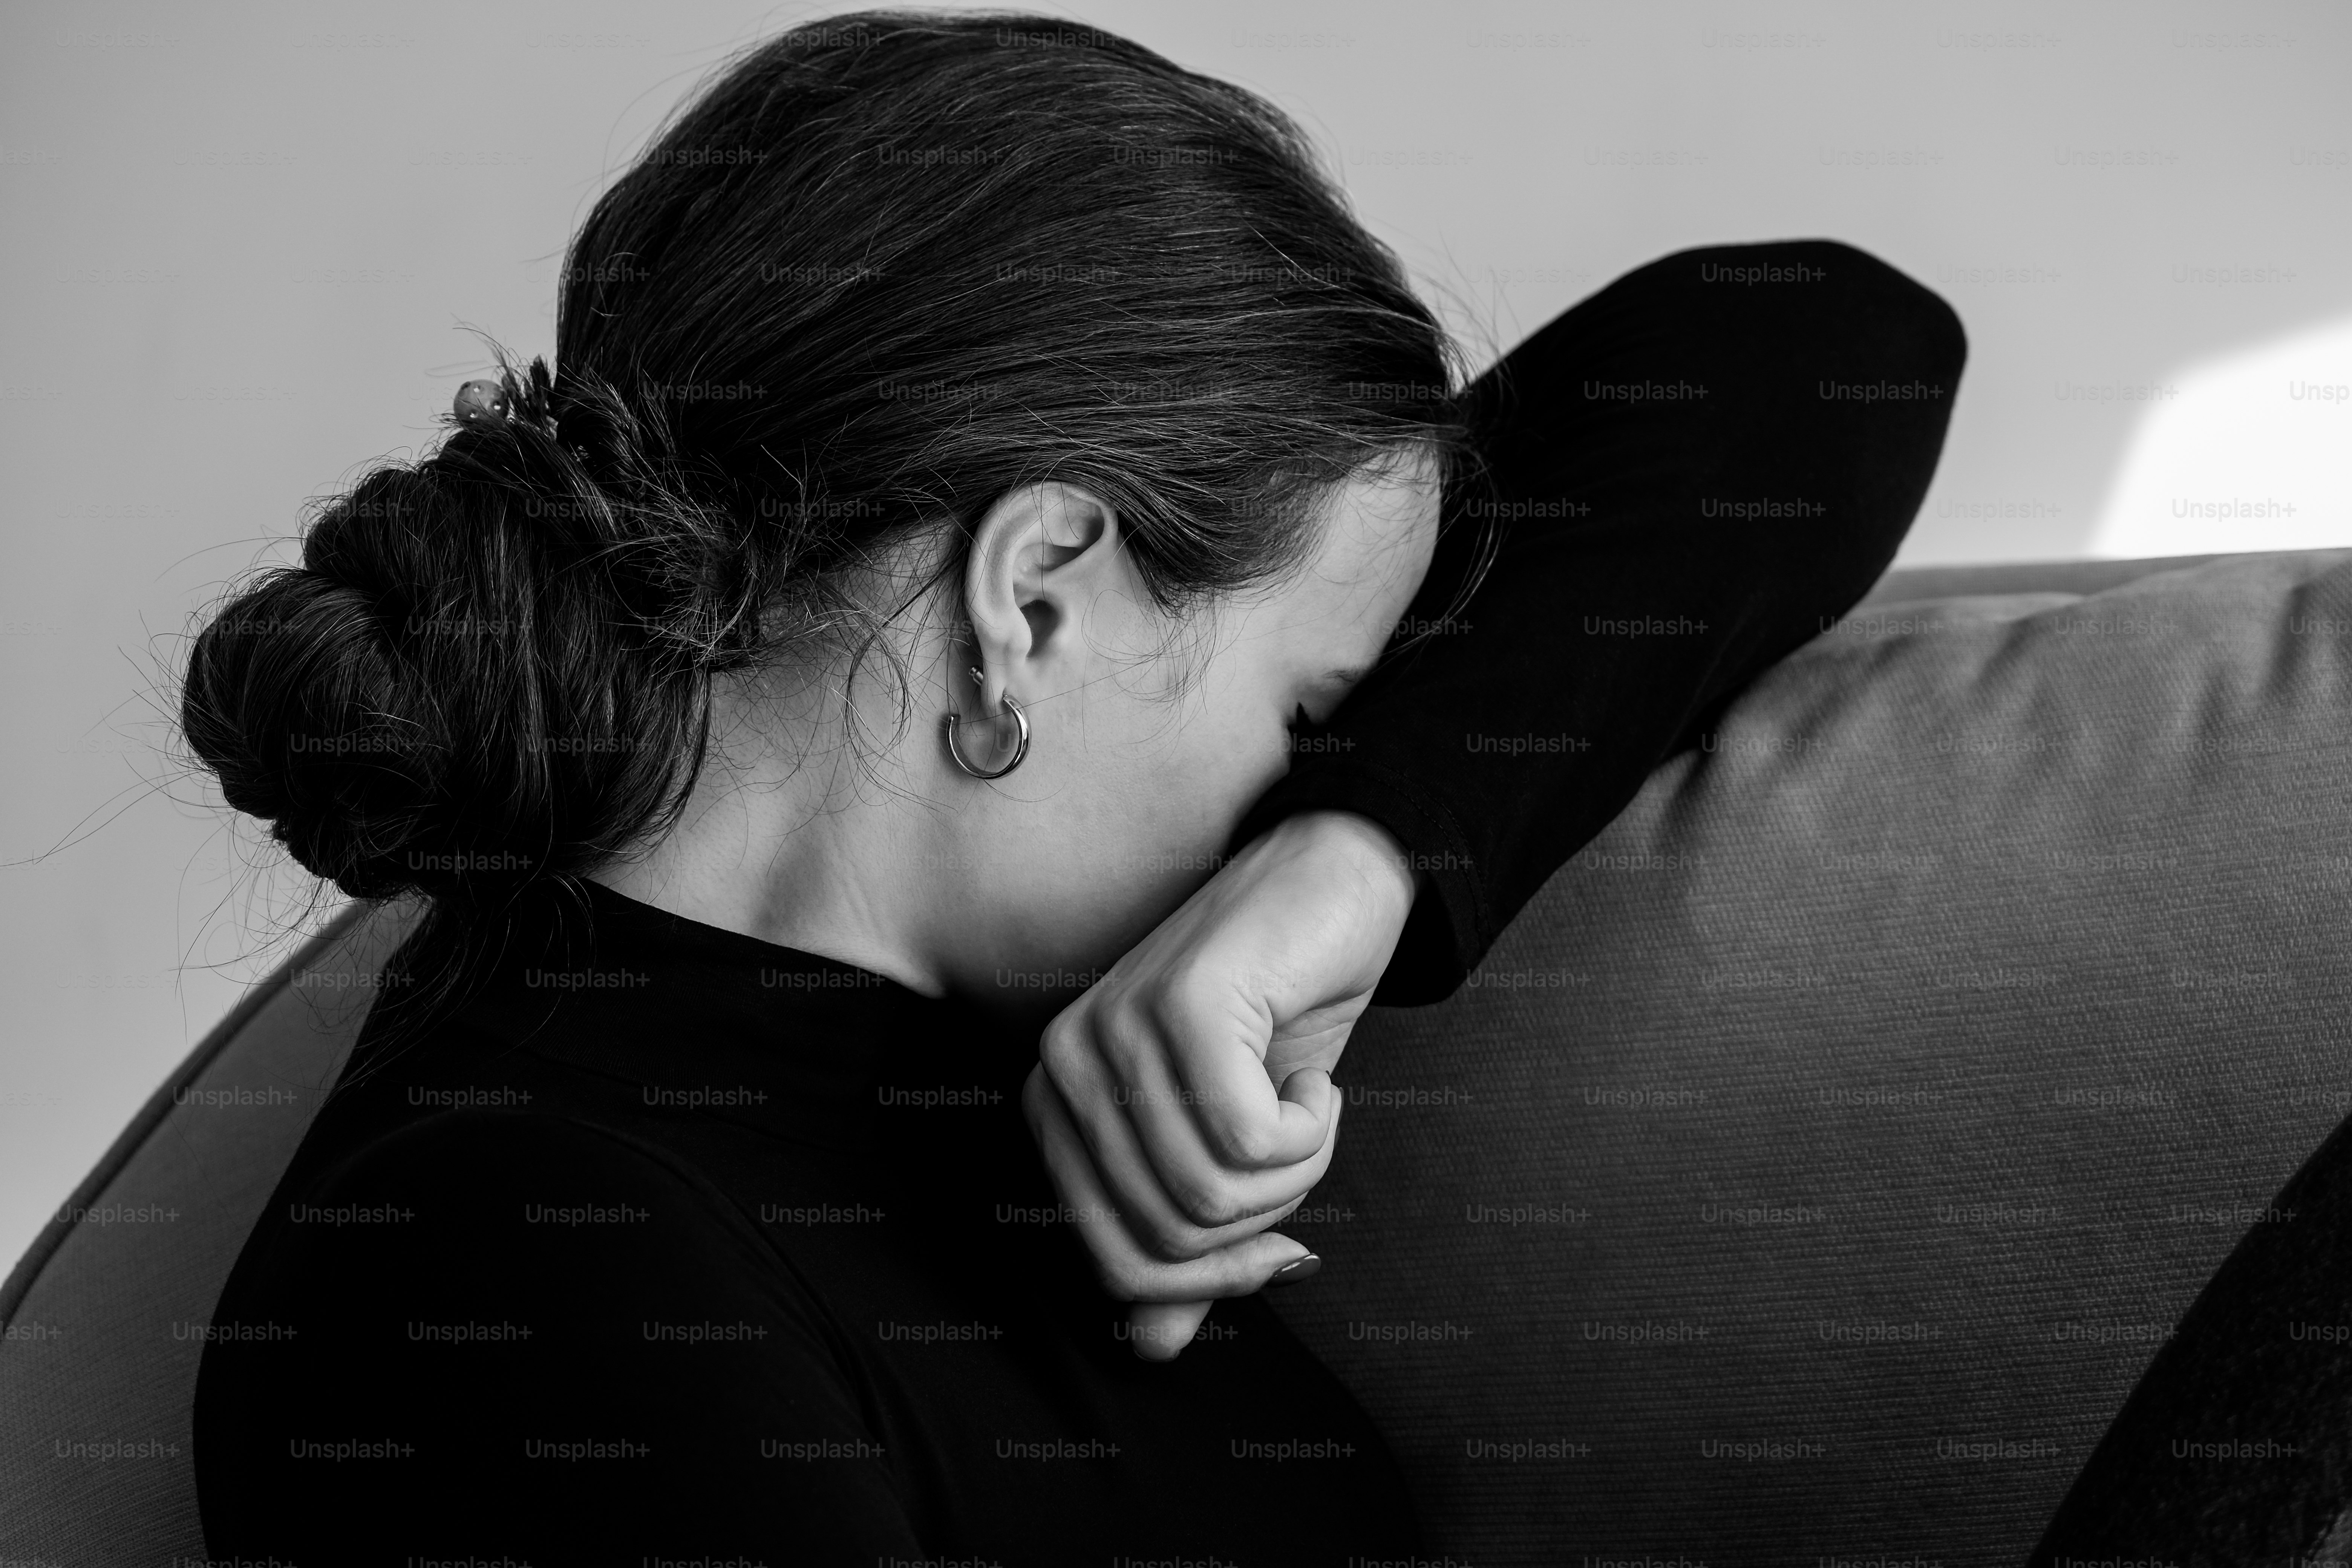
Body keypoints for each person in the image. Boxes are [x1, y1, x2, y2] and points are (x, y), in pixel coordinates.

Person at [185, 12, 1964, 1563]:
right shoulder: (511, 1273)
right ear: (1029, 603)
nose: (1299, 778)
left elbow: (1828, 343)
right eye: (1312, 707)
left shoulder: (928, 1028)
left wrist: (1357, 858)